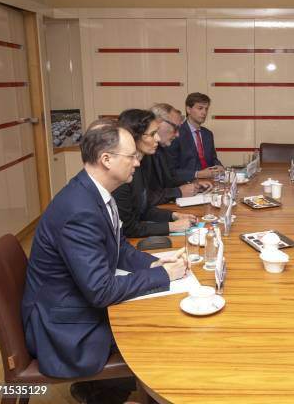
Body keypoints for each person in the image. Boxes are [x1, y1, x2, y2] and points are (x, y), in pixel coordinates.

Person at [21, 122, 188, 383]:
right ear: (106, 159)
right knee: (162, 332)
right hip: (65, 330)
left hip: (76, 305)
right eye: (132, 156)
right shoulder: (80, 210)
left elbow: (119, 248)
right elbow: (100, 290)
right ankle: (103, 391)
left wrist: (155, 263)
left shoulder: (94, 193)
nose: (137, 163)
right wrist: (164, 275)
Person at [112, 109, 195, 238]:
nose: (157, 138)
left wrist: (173, 216)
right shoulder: (121, 174)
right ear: (134, 137)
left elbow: (143, 209)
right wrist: (173, 226)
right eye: (152, 134)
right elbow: (128, 228)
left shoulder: (143, 163)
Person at [148, 103, 212, 205]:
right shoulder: (140, 155)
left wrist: (193, 185)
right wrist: (179, 191)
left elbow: (168, 180)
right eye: (175, 128)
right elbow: (144, 199)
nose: (177, 134)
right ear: (158, 123)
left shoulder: (161, 149)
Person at [168, 92, 224, 181]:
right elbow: (171, 171)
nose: (204, 112)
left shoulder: (208, 134)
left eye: (206, 109)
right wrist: (198, 174)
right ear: (188, 109)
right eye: (200, 108)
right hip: (188, 184)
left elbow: (213, 159)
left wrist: (219, 166)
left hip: (211, 182)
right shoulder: (176, 134)